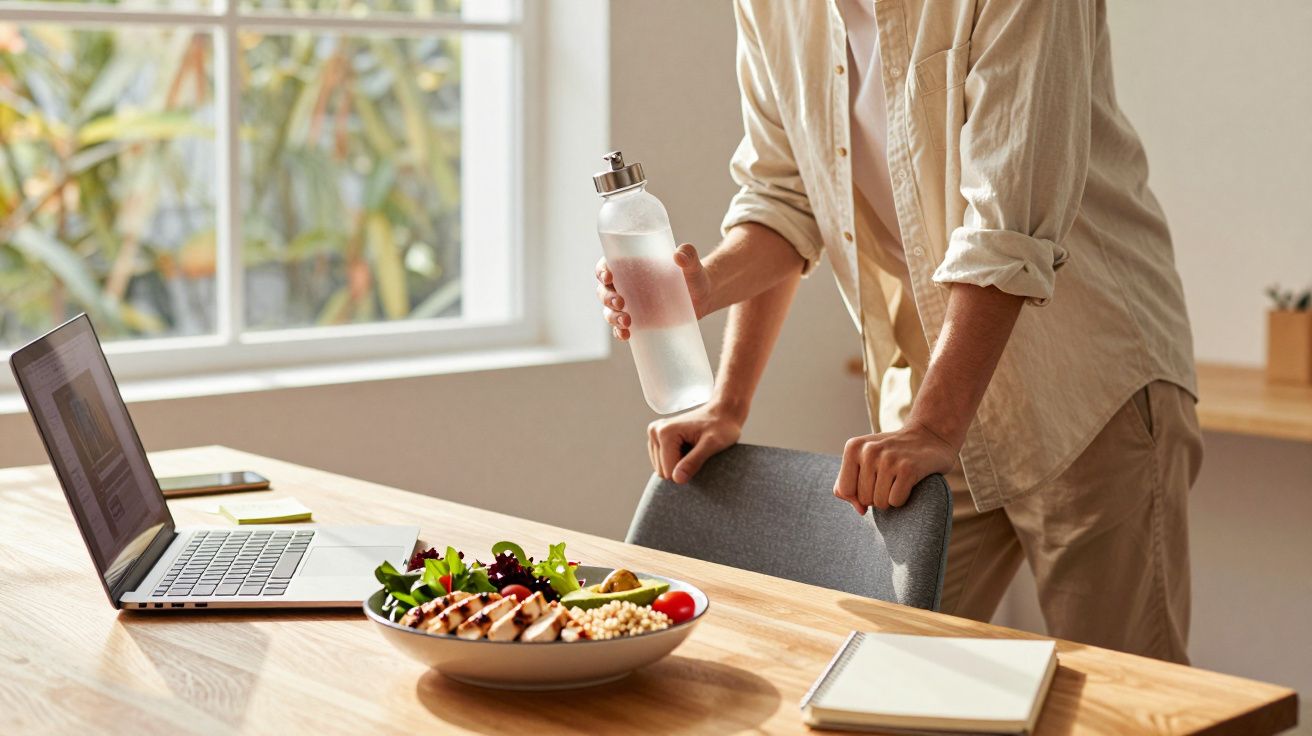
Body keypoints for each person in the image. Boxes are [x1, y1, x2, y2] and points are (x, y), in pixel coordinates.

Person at [595, 0, 1203, 664]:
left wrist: (934, 428)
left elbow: (1007, 222)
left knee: (1124, 700)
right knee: (887, 681)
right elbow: (784, 197)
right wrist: (717, 348)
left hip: (1088, 391)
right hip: (929, 397)